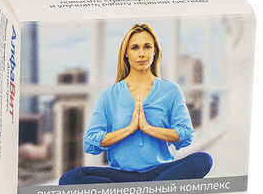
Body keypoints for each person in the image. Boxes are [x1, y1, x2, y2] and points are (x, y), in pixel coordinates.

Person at [59, 23, 212, 185]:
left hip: (160, 170)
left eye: (147, 47)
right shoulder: (108, 95)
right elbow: (90, 142)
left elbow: (186, 134)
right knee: (70, 178)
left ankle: (134, 193)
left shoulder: (171, 91)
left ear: (154, 51)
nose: (141, 54)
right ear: (126, 52)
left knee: (203, 160)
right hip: (120, 174)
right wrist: (130, 128)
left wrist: (148, 128)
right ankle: (153, 191)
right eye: (134, 48)